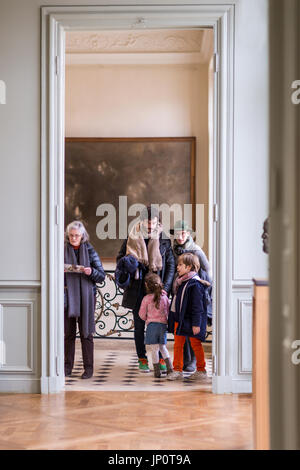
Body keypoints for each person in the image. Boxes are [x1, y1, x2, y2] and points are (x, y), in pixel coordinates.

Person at [116, 206, 175, 372]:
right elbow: (120, 258)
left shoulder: (164, 239)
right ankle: (142, 358)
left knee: (160, 325)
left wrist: (166, 288)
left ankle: (161, 359)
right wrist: (129, 262)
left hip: (158, 289)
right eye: (147, 223)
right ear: (140, 221)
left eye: (153, 223)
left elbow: (170, 265)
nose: (149, 227)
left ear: (158, 222)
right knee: (140, 325)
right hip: (138, 288)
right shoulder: (131, 235)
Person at [64, 220, 105, 379]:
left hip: (86, 297)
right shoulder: (62, 249)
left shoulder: (90, 250)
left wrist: (90, 272)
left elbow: (101, 275)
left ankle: (88, 369)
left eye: (77, 236)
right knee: (68, 334)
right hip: (67, 296)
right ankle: (67, 368)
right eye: (71, 235)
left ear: (83, 236)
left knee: (86, 334)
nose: (74, 238)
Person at [172, 220, 212, 372]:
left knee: (192, 330)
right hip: (181, 289)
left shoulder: (196, 251)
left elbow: (208, 272)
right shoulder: (174, 249)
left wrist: (203, 291)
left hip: (194, 291)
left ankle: (193, 362)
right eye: (177, 233)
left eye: (183, 233)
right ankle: (184, 362)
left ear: (188, 234)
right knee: (182, 330)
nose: (180, 236)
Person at [167, 253, 208, 381]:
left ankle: (201, 370)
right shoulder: (181, 282)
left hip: (191, 321)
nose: (177, 267)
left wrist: (196, 324)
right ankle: (177, 370)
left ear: (189, 267)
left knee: (195, 344)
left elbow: (198, 307)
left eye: (180, 265)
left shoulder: (195, 284)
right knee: (178, 345)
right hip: (180, 320)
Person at [138, 273, 173, 378]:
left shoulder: (146, 299)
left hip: (152, 326)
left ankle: (157, 372)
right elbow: (168, 311)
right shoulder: (164, 297)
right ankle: (170, 369)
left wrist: (147, 319)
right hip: (162, 326)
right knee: (163, 347)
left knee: (154, 349)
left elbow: (141, 314)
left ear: (147, 285)